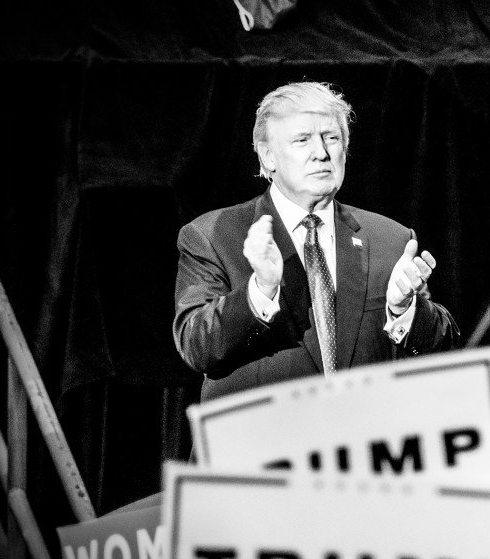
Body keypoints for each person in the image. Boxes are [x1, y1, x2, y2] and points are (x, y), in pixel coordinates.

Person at [174, 81, 459, 401]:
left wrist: (404, 310)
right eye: (302, 140)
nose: (321, 153)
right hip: (263, 432)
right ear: (268, 156)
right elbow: (197, 348)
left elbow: (442, 355)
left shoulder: (391, 239)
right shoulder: (213, 235)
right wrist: (260, 291)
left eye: (331, 138)